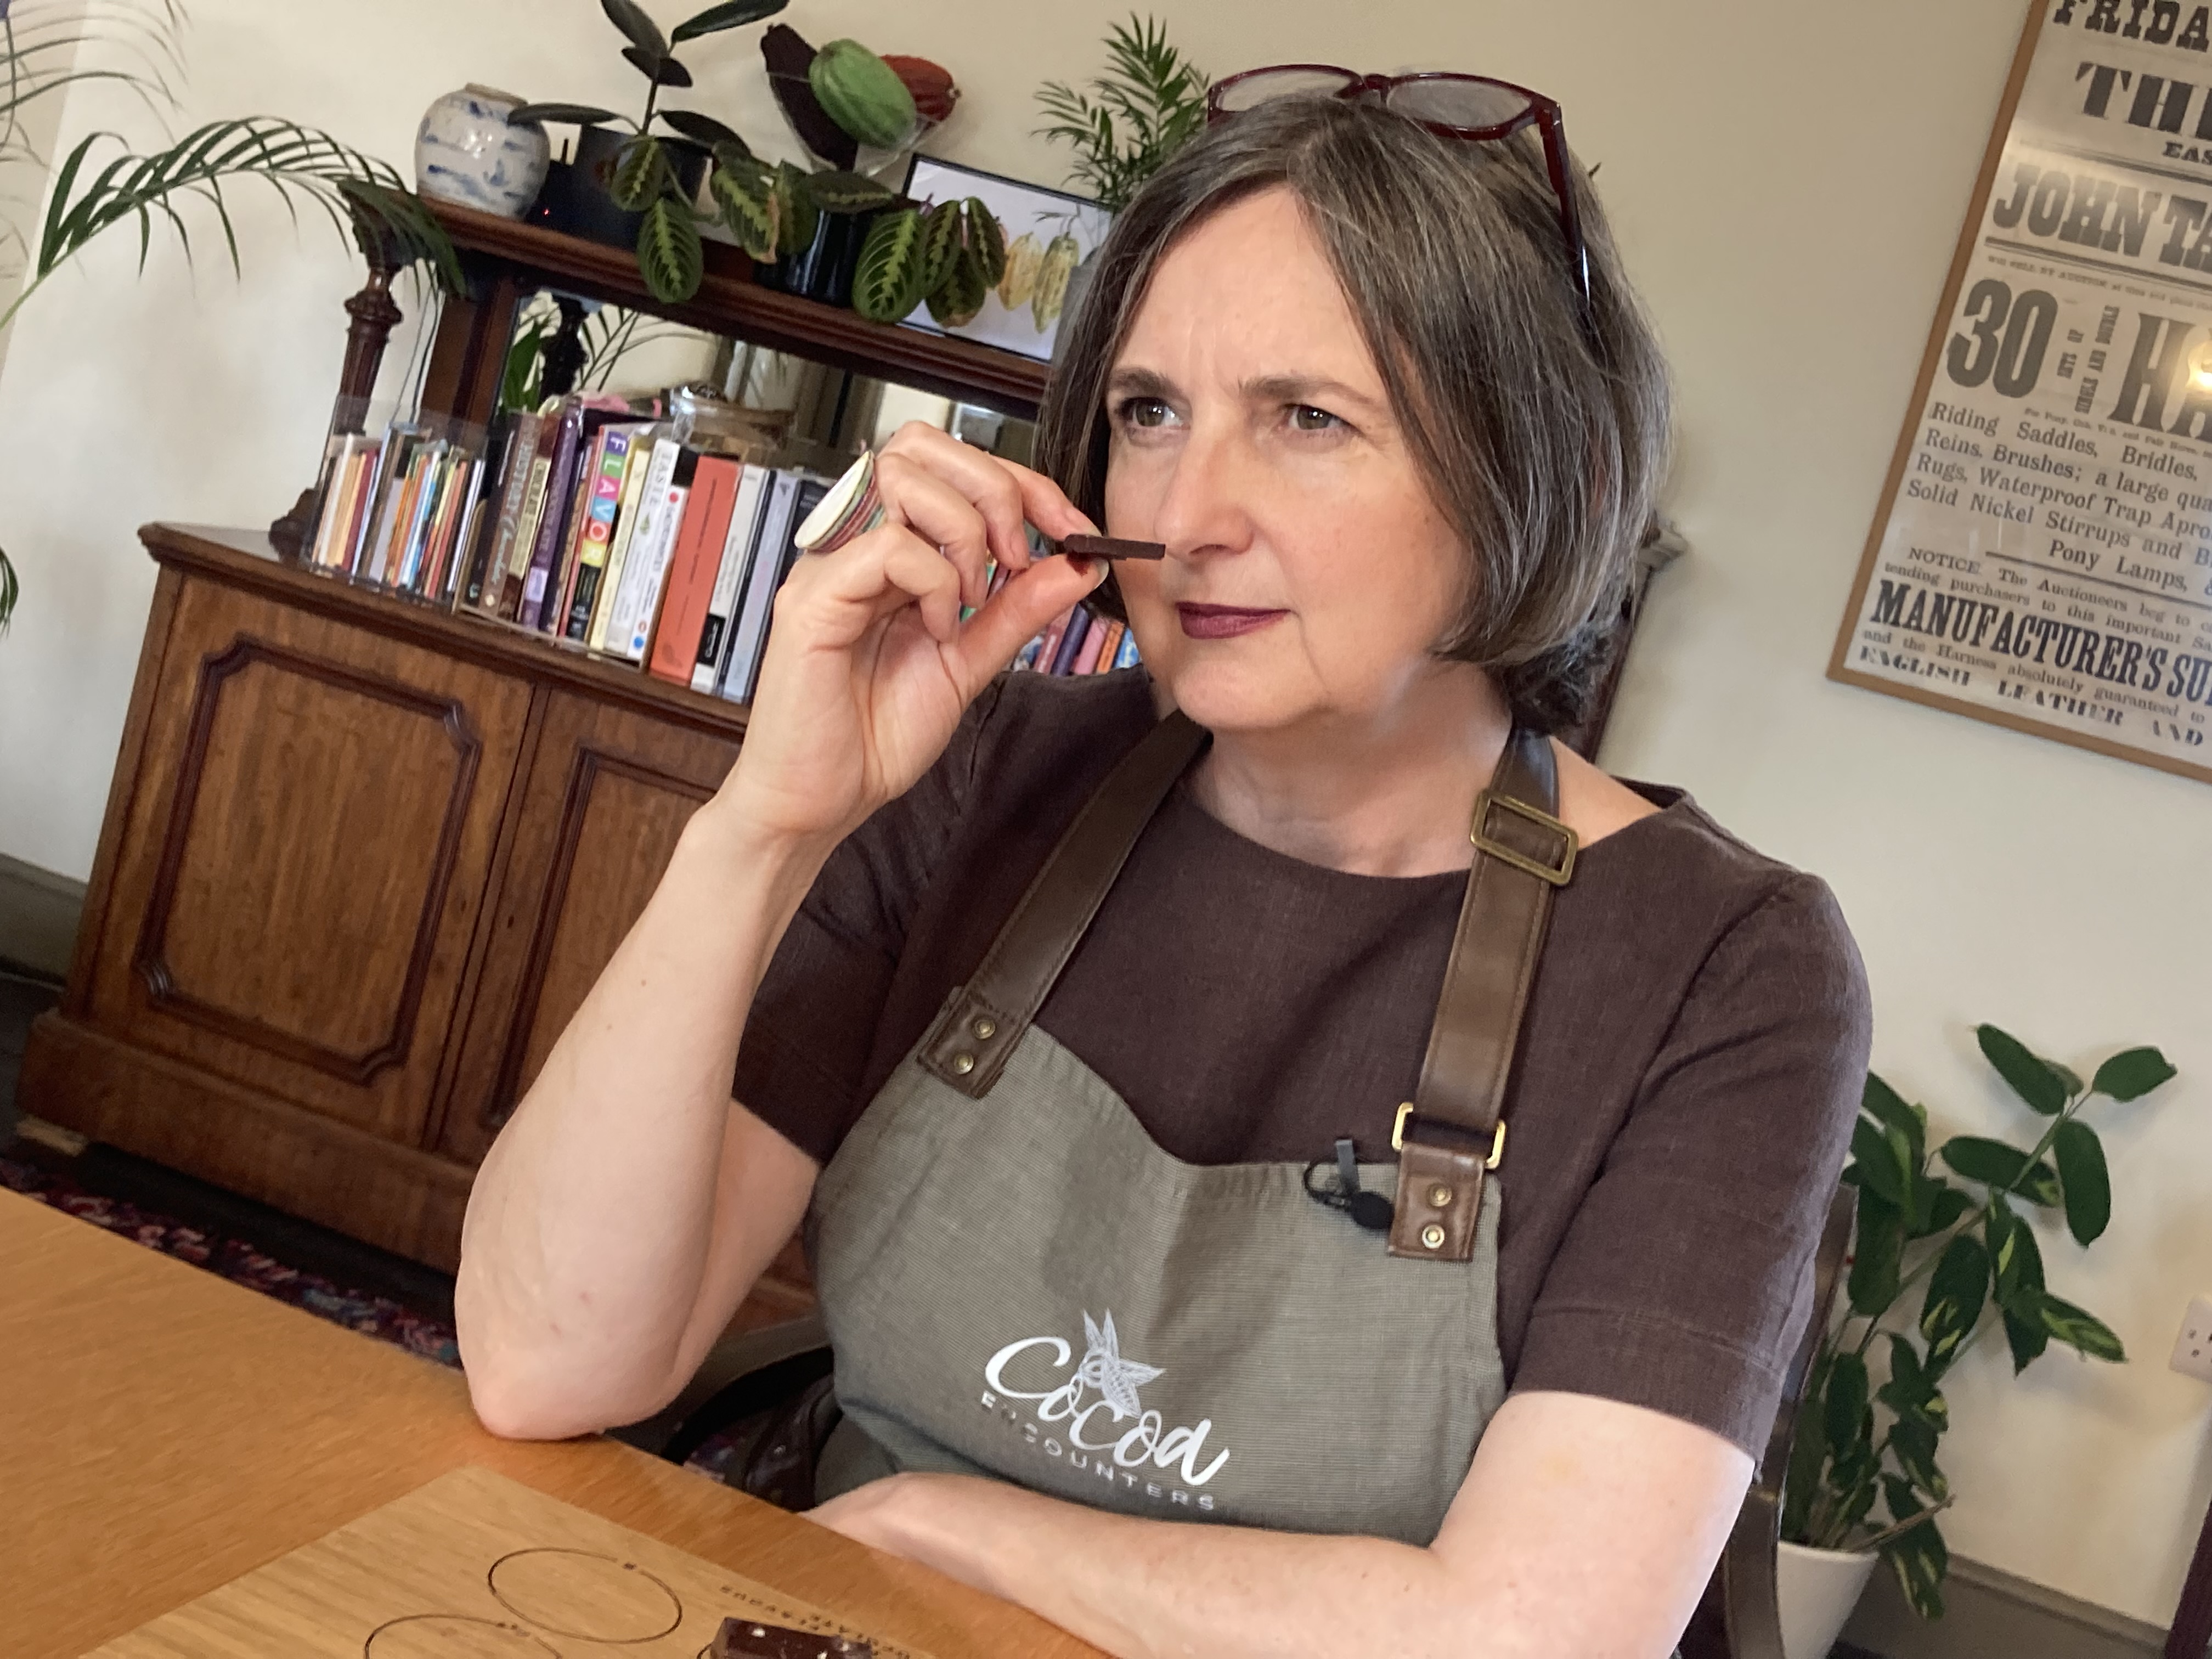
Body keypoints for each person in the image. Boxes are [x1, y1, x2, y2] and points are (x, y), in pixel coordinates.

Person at [455, 70, 1871, 1659]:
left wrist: (950, 1526)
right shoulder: (991, 771)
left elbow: (1534, 1635)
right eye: (1149, 414)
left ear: (1542, 477)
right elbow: (544, 1362)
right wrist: (763, 828)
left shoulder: (1725, 969)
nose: (1189, 515)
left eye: (1309, 419)